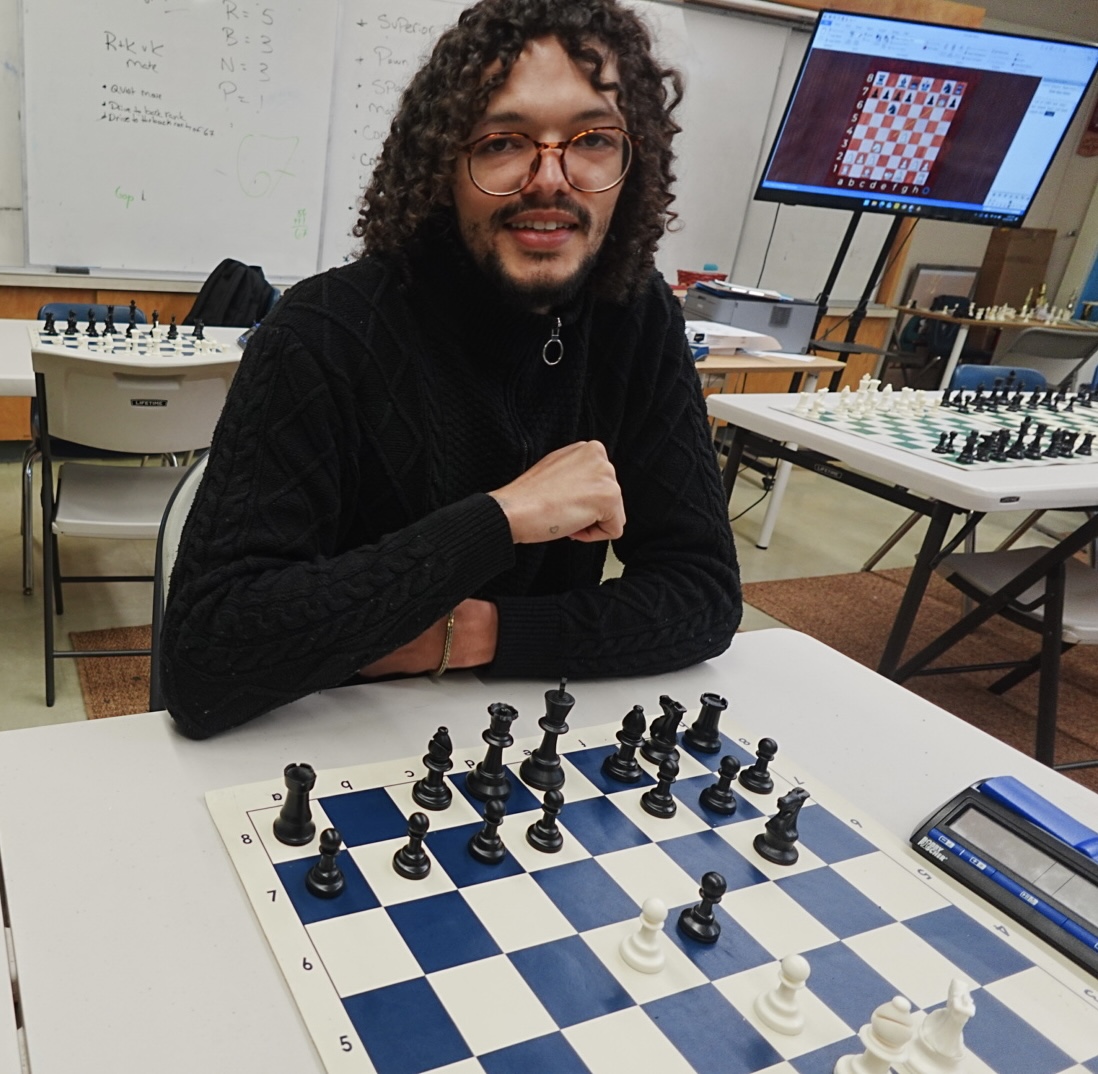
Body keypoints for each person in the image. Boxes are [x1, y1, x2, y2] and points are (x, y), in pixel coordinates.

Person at [160, 0, 742, 738]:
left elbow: (702, 597)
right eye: (503, 141)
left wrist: (474, 634)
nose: (550, 179)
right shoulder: (323, 335)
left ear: (635, 159)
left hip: (518, 741)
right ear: (443, 164)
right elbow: (206, 662)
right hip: (317, 741)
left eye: (593, 138)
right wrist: (500, 521)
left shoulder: (635, 315)